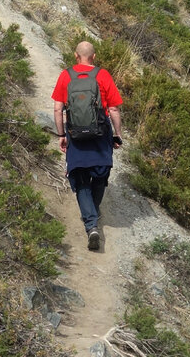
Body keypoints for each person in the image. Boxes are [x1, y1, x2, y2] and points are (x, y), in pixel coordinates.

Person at [52, 40, 123, 251]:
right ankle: (93, 212)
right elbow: (114, 110)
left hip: (76, 133)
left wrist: (61, 134)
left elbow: (58, 109)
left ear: (76, 56)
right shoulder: (103, 75)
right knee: (100, 174)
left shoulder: (66, 75)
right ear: (93, 57)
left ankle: (91, 224)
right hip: (100, 133)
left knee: (81, 175)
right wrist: (117, 134)